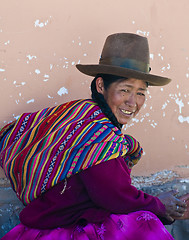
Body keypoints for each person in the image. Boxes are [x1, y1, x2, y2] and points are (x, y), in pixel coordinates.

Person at [0, 33, 188, 240]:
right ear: (101, 86)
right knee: (145, 224)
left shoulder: (81, 114)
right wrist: (159, 206)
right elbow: (114, 195)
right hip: (62, 229)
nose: (132, 102)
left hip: (50, 219)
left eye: (141, 93)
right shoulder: (98, 134)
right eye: (125, 90)